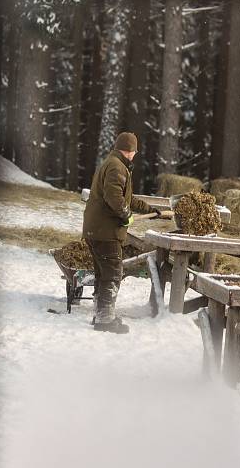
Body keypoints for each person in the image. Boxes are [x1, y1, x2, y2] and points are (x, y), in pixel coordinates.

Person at [83, 132, 160, 334]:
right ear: (129, 150)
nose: (135, 155)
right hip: (105, 231)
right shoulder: (117, 167)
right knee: (113, 273)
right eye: (134, 151)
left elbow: (128, 198)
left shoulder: (114, 163)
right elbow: (114, 198)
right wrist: (126, 216)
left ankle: (100, 314)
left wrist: (150, 210)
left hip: (96, 229)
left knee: (103, 274)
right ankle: (105, 319)